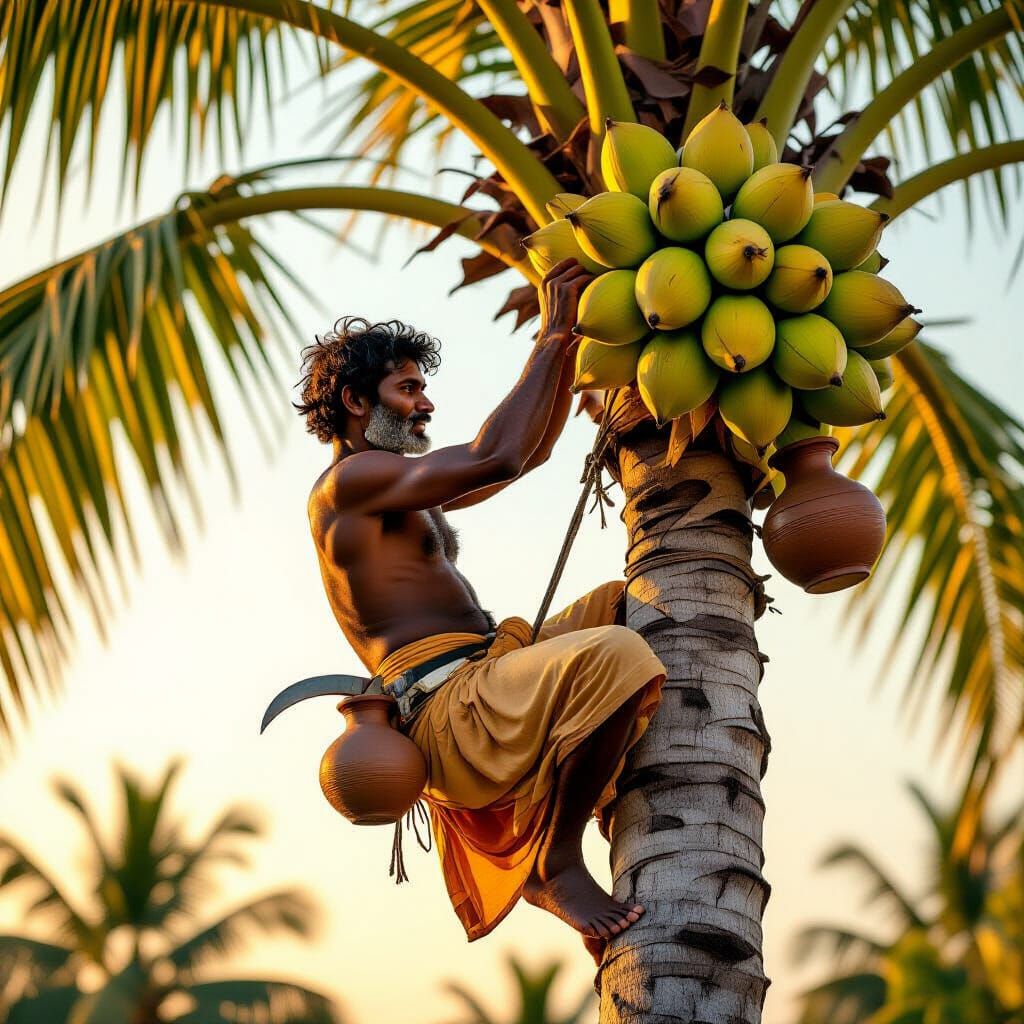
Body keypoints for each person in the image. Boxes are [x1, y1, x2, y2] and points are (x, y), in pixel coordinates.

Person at [294, 259, 666, 960]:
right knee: (619, 655)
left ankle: (608, 800)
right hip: (451, 712)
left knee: (620, 607)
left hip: (485, 672)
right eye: (407, 390)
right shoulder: (354, 480)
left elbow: (528, 452)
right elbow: (497, 457)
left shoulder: (391, 486)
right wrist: (554, 334)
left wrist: (577, 345)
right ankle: (554, 865)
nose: (425, 405)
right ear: (352, 401)